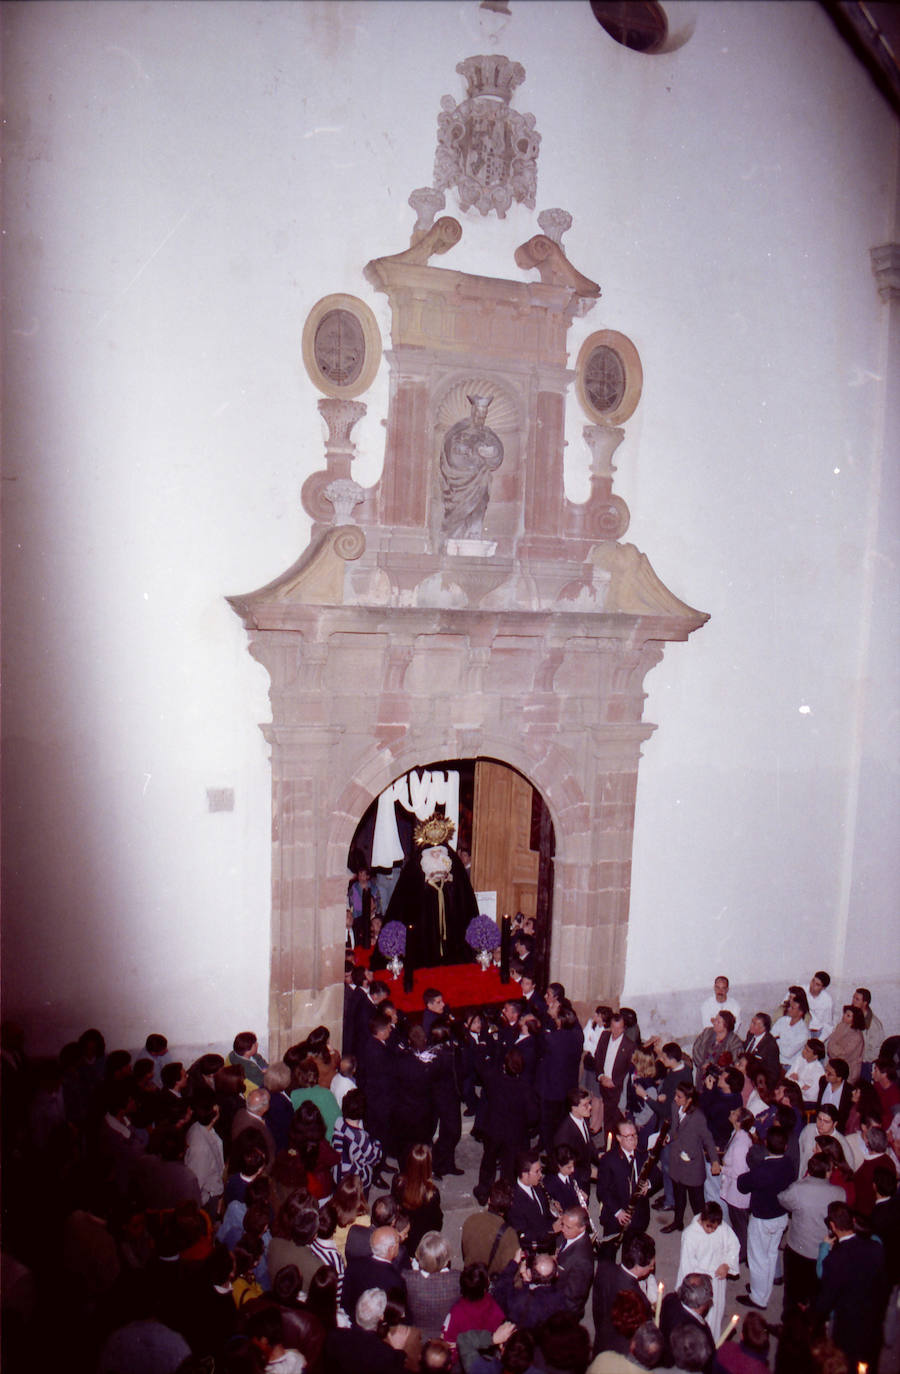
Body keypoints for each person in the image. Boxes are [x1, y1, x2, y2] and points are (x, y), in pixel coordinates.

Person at [815, 1199, 888, 1370]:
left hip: (846, 1323)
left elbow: (825, 1300)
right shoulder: (876, 1247)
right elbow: (883, 1285)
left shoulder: (834, 1259)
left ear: (832, 1226)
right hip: (873, 1318)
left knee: (843, 1361)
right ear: (853, 1221)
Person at [776, 1150, 844, 1315]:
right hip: (823, 1252)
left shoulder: (799, 1189)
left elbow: (782, 1199)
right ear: (828, 1172)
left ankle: (790, 1326)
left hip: (797, 1250)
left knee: (792, 1294)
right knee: (816, 1294)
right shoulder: (839, 1193)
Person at [736, 1122, 794, 1311]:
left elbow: (742, 1184)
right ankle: (763, 1290)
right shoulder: (788, 1164)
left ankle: (758, 1298)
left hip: (763, 1219)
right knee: (770, 1255)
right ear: (785, 1147)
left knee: (758, 1258)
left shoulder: (763, 1169)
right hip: (781, 1216)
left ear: (767, 1145)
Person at [439, 393, 504, 541]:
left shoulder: (488, 434)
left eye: (484, 414)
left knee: (479, 507)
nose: (481, 417)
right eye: (479, 413)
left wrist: (491, 453)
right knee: (458, 513)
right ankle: (455, 536)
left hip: (480, 482)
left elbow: (497, 456)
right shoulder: (459, 433)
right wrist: (475, 453)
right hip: (460, 484)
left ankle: (473, 535)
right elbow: (452, 455)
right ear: (473, 411)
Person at [675, 1203, 739, 1342]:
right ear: (702, 1219)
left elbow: (734, 1245)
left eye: (715, 1228)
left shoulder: (722, 1228)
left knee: (715, 1315)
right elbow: (687, 1265)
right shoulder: (690, 1235)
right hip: (699, 1284)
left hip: (717, 1278)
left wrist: (727, 1264)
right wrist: (701, 1282)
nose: (711, 1231)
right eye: (708, 1226)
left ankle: (713, 1342)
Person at [663, 1085, 718, 1235]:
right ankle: (678, 1221)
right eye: (676, 1095)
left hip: (692, 1166)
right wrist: (668, 1137)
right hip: (676, 1161)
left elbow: (708, 1139)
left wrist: (714, 1161)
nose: (675, 1099)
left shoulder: (698, 1117)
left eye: (679, 1097)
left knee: (697, 1203)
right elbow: (674, 1130)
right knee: (679, 1197)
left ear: (689, 1100)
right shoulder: (675, 1107)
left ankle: (701, 1231)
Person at [591, 1231, 655, 1357]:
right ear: (638, 1267)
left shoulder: (603, 1269)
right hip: (621, 1350)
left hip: (601, 1340)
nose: (652, 1269)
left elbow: (597, 1307)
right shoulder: (638, 1299)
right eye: (650, 1265)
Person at [596, 1118, 650, 1248]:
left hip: (638, 1215)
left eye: (634, 1135)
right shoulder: (608, 1160)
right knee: (609, 1251)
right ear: (619, 1138)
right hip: (615, 1215)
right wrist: (618, 1212)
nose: (633, 1139)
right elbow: (602, 1191)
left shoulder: (642, 1152)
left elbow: (657, 1174)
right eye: (628, 1136)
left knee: (632, 1250)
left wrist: (649, 1183)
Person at [405, 1231, 460, 1340]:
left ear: (418, 1256)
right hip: (445, 1336)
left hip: (416, 1336)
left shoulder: (407, 1278)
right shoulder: (457, 1279)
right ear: (446, 1261)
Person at [592, 1010, 635, 1138]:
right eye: (613, 1028)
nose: (616, 1032)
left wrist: (615, 1081)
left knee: (615, 1120)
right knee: (607, 1118)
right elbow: (598, 1057)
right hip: (603, 1084)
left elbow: (629, 1069)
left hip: (618, 1089)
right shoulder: (604, 1036)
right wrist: (601, 1076)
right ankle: (609, 1144)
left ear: (624, 1028)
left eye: (619, 1028)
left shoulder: (629, 1045)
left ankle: (612, 1146)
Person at [554, 1204, 595, 1318]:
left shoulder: (582, 1260)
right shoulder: (570, 1235)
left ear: (582, 1228)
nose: (562, 1230)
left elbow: (573, 1299)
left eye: (568, 1227)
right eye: (563, 1224)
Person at [692, 1012, 743, 1085]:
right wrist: (702, 1064)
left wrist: (715, 1070)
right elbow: (696, 1048)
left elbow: (736, 1062)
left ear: (726, 1026)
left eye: (718, 1022)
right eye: (715, 1020)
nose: (714, 1023)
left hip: (720, 1080)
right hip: (701, 1076)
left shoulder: (734, 1041)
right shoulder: (707, 1032)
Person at [826, 1005, 866, 1085]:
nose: (844, 1016)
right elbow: (831, 1041)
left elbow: (844, 1054)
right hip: (835, 1066)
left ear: (855, 1019)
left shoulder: (857, 1036)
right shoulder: (841, 1025)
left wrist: (832, 1047)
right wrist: (832, 1046)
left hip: (849, 1071)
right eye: (845, 1014)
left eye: (848, 1015)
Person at [771, 988, 810, 1067]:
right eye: (789, 1007)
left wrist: (777, 1039)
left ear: (800, 1012)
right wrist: (780, 1042)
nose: (788, 1009)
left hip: (788, 1066)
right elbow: (770, 1038)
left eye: (792, 1008)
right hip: (774, 1061)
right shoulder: (783, 1020)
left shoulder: (803, 1032)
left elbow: (787, 1053)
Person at [741, 1013, 780, 1088]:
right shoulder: (750, 1034)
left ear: (763, 1028)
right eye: (752, 1022)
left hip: (756, 1082)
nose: (750, 1025)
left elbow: (773, 1073)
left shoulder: (770, 1046)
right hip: (744, 1076)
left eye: (754, 1023)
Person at [805, 971, 835, 1039]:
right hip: (799, 1028)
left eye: (817, 984)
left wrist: (819, 1041)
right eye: (813, 981)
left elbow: (828, 1025)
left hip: (815, 1032)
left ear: (823, 988)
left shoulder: (827, 1000)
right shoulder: (801, 990)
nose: (812, 985)